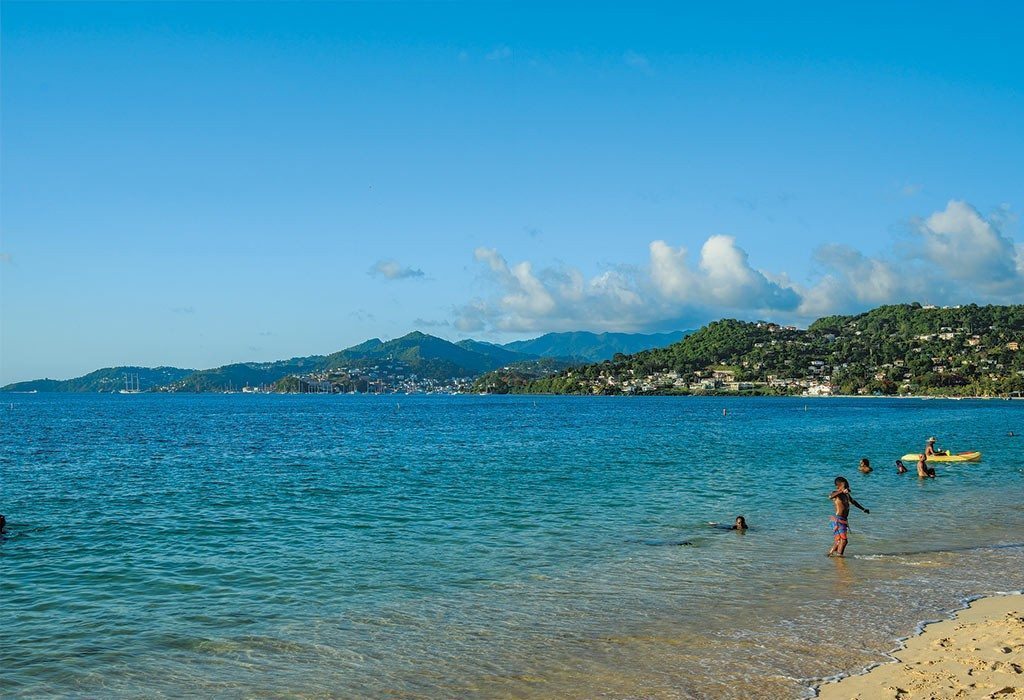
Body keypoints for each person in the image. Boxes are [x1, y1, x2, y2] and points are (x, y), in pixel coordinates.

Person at [828, 476, 869, 558]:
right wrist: (841, 491)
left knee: (839, 541)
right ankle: (839, 556)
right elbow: (830, 496)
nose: (847, 487)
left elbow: (853, 502)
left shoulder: (846, 495)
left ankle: (830, 555)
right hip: (838, 520)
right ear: (838, 486)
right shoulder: (836, 494)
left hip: (843, 520)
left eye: (847, 485)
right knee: (844, 540)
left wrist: (863, 509)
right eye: (845, 486)